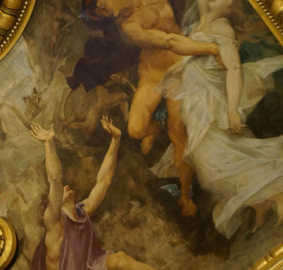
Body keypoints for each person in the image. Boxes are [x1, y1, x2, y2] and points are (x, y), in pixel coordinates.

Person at [0, 119, 206, 270]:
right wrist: (49, 143)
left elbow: (103, 181)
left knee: (120, 260)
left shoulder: (82, 212)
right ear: (51, 203)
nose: (66, 187)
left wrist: (115, 141)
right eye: (61, 192)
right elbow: (54, 179)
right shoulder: (55, 225)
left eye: (65, 188)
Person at [157, 0, 283, 237]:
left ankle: (278, 193)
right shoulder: (198, 27)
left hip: (212, 109)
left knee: (217, 166)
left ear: (229, 8)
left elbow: (234, 69)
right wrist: (179, 69)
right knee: (211, 169)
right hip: (196, 109)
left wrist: (233, 110)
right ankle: (260, 204)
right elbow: (197, 56)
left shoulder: (222, 28)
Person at [83, 0, 222, 216]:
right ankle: (158, 127)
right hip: (153, 76)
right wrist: (211, 50)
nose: (105, 11)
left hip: (178, 71)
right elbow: (168, 41)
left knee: (179, 137)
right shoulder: (128, 28)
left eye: (101, 5)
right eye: (101, 14)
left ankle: (186, 197)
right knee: (135, 130)